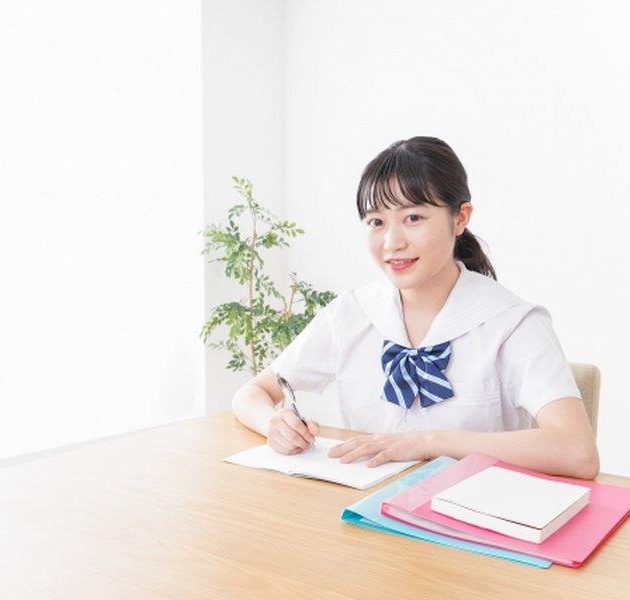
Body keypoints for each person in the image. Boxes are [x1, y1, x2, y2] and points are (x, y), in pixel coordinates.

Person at [231, 136, 599, 479]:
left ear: (460, 218)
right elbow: (251, 394)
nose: (393, 242)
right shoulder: (352, 313)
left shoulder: (512, 322)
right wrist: (273, 424)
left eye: (413, 218)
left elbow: (577, 452)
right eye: (377, 222)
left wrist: (429, 442)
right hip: (366, 510)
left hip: (473, 511)